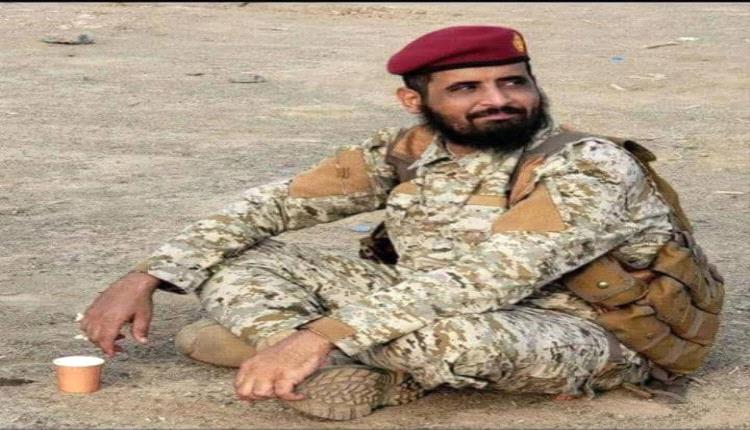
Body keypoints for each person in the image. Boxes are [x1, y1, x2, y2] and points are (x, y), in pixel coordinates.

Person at [80, 25, 723, 421]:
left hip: (582, 330)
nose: (498, 100)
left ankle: (299, 354)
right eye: (467, 89)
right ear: (414, 101)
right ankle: (328, 364)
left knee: (452, 339)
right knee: (227, 260)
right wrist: (146, 274)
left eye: (512, 83)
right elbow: (271, 204)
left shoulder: (588, 164)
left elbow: (491, 278)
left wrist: (320, 334)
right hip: (421, 299)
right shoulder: (408, 150)